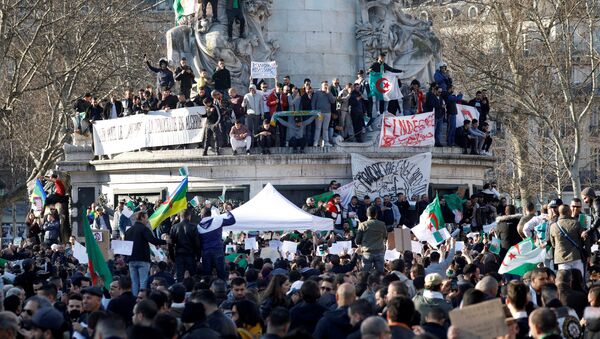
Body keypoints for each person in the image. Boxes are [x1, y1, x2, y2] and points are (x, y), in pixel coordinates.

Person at [124, 211, 167, 296]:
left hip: (131, 260)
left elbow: (126, 246)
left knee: (134, 282)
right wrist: (165, 241)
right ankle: (142, 299)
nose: (147, 221)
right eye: (146, 218)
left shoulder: (128, 231)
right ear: (142, 217)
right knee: (143, 281)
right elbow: (152, 240)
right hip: (143, 259)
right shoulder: (144, 229)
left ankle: (135, 299)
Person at [197, 208, 236, 280]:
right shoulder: (218, 221)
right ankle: (222, 289)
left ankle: (207, 289)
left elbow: (198, 243)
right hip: (218, 251)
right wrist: (227, 212)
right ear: (210, 214)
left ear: (202, 216)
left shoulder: (198, 227)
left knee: (207, 275)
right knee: (221, 274)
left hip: (205, 253)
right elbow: (232, 220)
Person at [549, 205, 584, 275]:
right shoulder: (576, 223)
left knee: (564, 280)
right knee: (578, 279)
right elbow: (583, 239)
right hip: (576, 256)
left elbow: (553, 244)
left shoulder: (553, 226)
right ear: (569, 212)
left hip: (561, 258)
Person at [169, 209, 199, 282]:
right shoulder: (194, 227)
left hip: (179, 255)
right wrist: (198, 257)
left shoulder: (174, 227)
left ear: (180, 217)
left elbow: (170, 244)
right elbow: (197, 243)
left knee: (180, 277)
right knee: (193, 276)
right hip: (190, 254)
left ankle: (180, 291)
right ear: (189, 216)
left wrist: (172, 257)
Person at [311, 81, 336, 147]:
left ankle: (326, 142)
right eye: (324, 85)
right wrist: (314, 112)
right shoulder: (317, 93)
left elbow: (333, 101)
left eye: (327, 85)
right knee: (318, 128)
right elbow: (313, 102)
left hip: (328, 113)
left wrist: (328, 93)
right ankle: (316, 142)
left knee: (325, 128)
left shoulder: (329, 92)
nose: (326, 86)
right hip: (319, 113)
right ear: (321, 85)